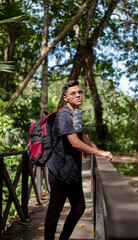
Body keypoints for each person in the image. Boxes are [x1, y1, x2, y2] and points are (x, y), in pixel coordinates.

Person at [44, 80, 113, 240]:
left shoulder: (76, 113)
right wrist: (100, 154)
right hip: (60, 172)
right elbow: (75, 142)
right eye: (73, 93)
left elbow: (82, 136)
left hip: (72, 172)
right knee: (55, 211)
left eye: (79, 92)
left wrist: (99, 151)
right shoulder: (62, 115)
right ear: (65, 98)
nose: (78, 95)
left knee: (79, 207)